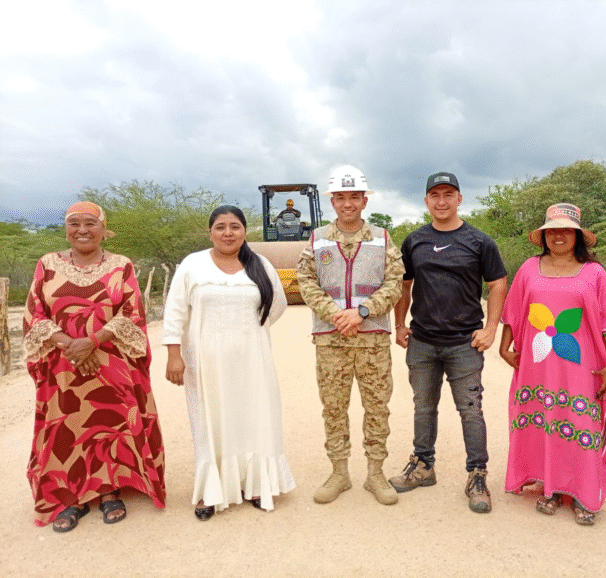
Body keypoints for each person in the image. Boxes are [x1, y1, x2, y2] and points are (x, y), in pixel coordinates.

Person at [22, 201, 166, 532]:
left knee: (109, 424)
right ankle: (71, 496)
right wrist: (68, 344)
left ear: (103, 228)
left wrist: (93, 341)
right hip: (62, 366)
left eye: (90, 223)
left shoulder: (121, 265)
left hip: (110, 363)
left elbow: (131, 311)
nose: (82, 230)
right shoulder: (47, 265)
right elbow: (36, 311)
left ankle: (108, 491)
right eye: (74, 224)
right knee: (66, 424)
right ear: (66, 229)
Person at [163, 205, 296, 520]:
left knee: (254, 416)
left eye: (234, 226)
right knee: (209, 422)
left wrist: (249, 334)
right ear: (210, 231)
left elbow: (276, 306)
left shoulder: (260, 265)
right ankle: (211, 492)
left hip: (253, 359)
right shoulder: (193, 265)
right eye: (220, 226)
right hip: (205, 362)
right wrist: (174, 354)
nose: (227, 233)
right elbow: (175, 310)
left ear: (244, 231)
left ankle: (255, 485)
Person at [499, 203, 606, 525]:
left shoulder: (595, 273)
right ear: (543, 236)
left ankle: (585, 494)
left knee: (580, 423)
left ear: (577, 236)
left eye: (565, 230)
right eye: (552, 230)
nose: (558, 235)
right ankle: (552, 488)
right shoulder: (529, 269)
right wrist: (504, 348)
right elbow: (514, 311)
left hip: (581, 367)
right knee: (545, 420)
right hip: (537, 364)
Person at [388, 172, 507, 514]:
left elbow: (498, 284)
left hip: (463, 344)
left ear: (459, 199)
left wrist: (491, 328)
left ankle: (477, 474)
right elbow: (404, 284)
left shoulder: (479, 241)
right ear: (426, 201)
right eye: (435, 195)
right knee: (423, 406)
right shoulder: (414, 241)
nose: (442, 201)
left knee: (471, 410)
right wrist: (399, 324)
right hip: (422, 341)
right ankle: (423, 466)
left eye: (448, 194)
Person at [296, 164, 404, 506]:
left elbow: (395, 283)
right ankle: (339, 473)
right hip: (331, 339)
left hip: (372, 337)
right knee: (334, 406)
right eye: (340, 197)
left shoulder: (383, 238)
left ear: (364, 200)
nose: (347, 203)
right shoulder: (316, 239)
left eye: (353, 197)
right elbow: (307, 282)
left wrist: (362, 311)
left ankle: (375, 473)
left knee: (376, 406)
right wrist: (335, 315)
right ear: (332, 201)